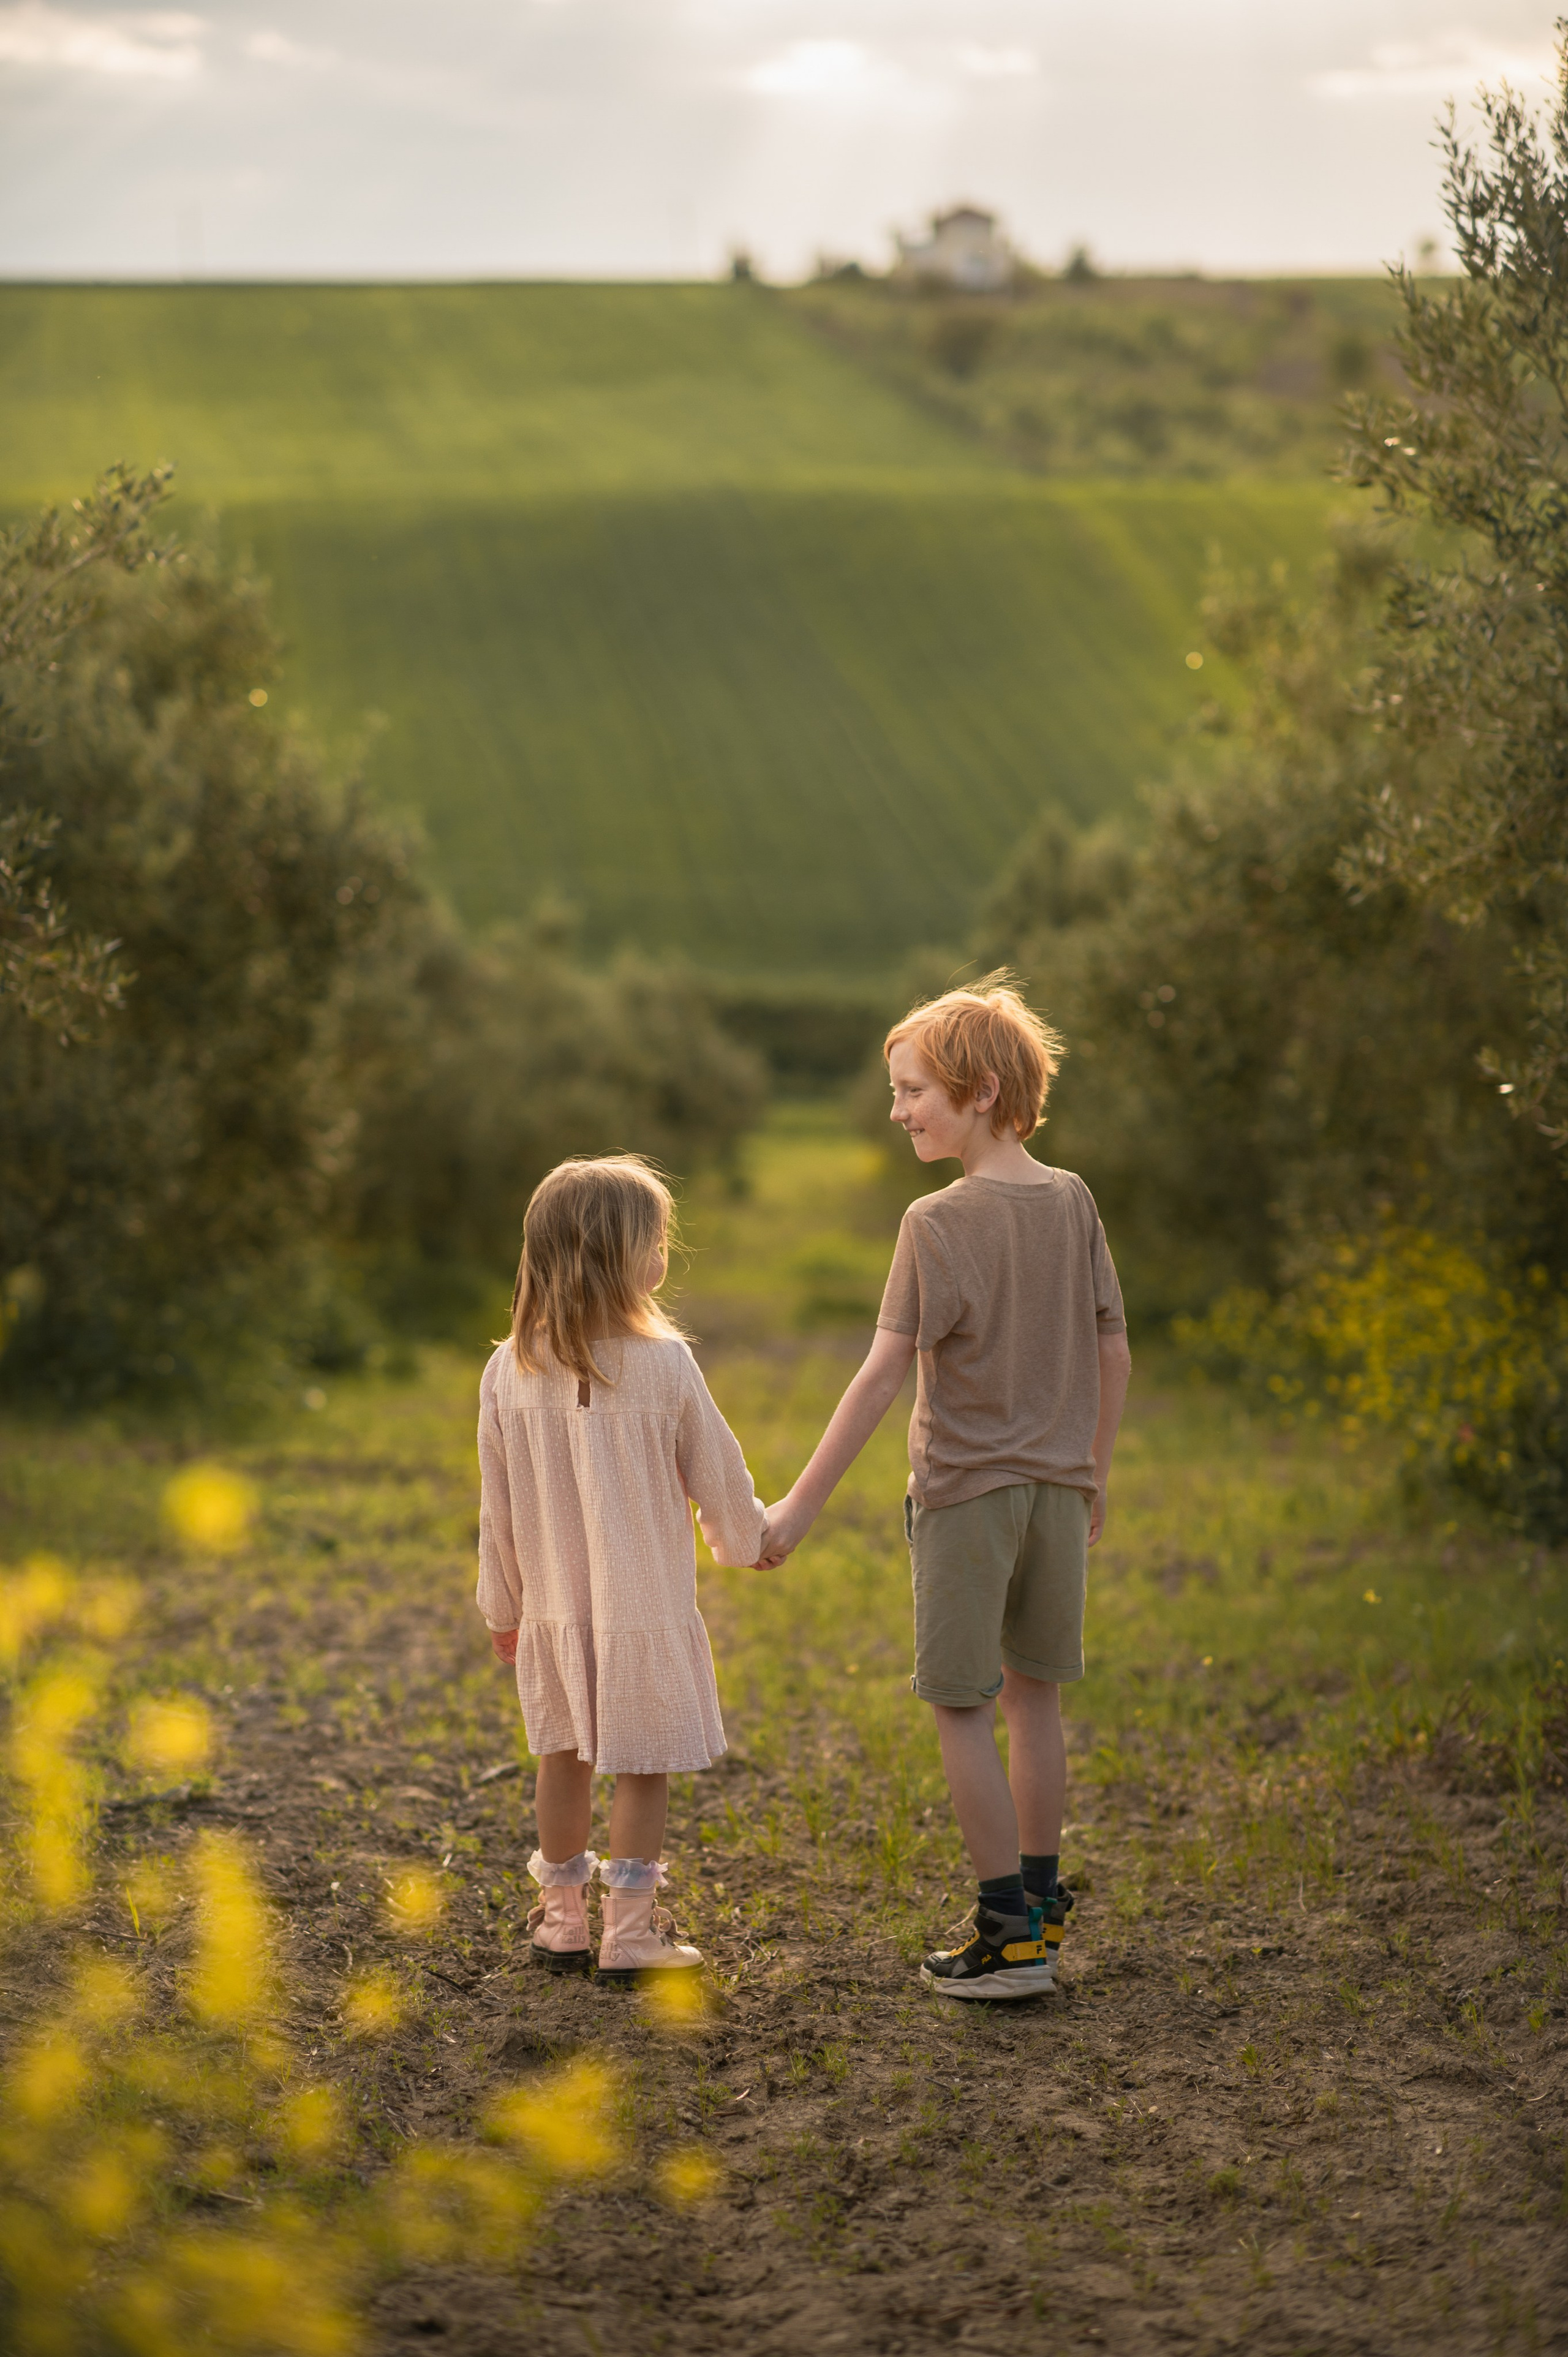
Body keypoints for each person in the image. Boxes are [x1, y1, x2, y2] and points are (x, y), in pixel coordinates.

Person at [760, 976, 1131, 1999]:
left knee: (961, 1705)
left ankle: (1005, 1931)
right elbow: (1115, 1347)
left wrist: (794, 1508)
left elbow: (882, 1375)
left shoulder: (933, 1223)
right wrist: (1091, 1471)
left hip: (967, 1498)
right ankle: (1043, 1910)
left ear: (975, 1091)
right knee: (1036, 1701)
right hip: (1060, 1493)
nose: (897, 1111)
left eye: (912, 1089)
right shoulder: (1074, 1200)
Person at [477, 1155, 767, 1985]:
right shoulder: (666, 1365)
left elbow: (495, 1510)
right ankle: (629, 1933)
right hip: (643, 1610)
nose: (664, 1255)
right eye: (659, 1240)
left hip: (555, 1611)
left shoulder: (509, 1369)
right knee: (642, 1766)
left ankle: (563, 1920)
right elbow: (719, 1474)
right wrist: (750, 1541)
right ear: (624, 1256)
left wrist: (503, 1606)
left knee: (559, 1755)